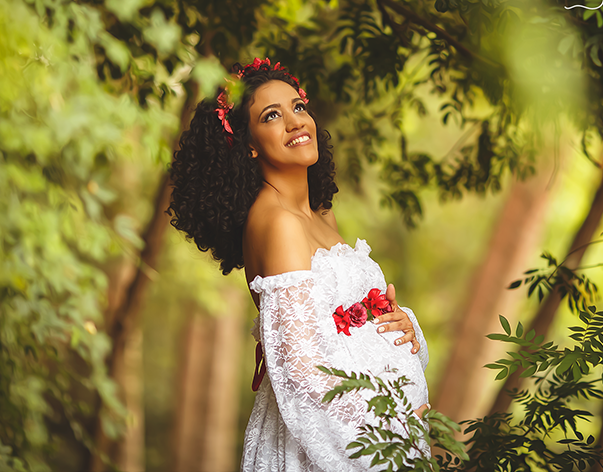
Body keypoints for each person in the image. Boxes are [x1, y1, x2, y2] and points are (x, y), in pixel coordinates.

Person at [168, 58, 430, 471]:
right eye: (272, 116)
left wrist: (403, 325)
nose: (295, 123)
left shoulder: (322, 215)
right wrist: (386, 434)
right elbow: (304, 374)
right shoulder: (277, 223)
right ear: (249, 144)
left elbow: (346, 329)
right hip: (336, 449)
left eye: (298, 107)